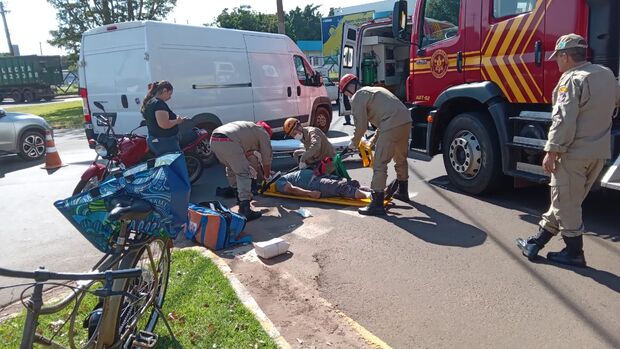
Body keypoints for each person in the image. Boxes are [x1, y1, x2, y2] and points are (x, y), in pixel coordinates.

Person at [516, 34, 620, 267]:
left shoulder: (571, 80)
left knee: (567, 202)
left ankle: (574, 252)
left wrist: (551, 150)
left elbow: (563, 120)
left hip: (573, 153)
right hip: (598, 152)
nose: (556, 62)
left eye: (557, 57)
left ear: (566, 55)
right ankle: (536, 242)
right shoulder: (605, 74)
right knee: (567, 201)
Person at [339, 73, 412, 215]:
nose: (347, 96)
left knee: (380, 163)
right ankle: (403, 191)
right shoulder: (374, 91)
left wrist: (353, 144)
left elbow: (361, 125)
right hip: (405, 121)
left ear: (349, 89)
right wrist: (372, 141)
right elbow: (382, 122)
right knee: (400, 158)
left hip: (391, 123)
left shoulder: (357, 96)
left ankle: (377, 204)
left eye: (346, 93)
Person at [140, 80, 191, 233]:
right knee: (175, 173)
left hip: (156, 140)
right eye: (170, 93)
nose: (170, 96)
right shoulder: (158, 104)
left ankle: (170, 200)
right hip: (165, 142)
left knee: (166, 171)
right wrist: (178, 121)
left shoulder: (149, 102)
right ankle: (177, 210)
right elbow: (164, 124)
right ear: (164, 90)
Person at [210, 120, 273, 221]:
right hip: (229, 141)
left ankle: (239, 198)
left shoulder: (248, 129)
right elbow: (267, 158)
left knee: (231, 168)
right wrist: (267, 176)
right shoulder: (263, 133)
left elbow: (243, 153)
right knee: (243, 173)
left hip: (214, 139)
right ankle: (245, 209)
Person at [275, 169, 371, 200]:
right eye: (270, 173)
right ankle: (370, 196)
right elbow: (290, 189)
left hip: (318, 176)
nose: (271, 171)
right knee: (341, 187)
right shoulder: (278, 181)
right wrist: (309, 193)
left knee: (352, 183)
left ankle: (376, 192)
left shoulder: (286, 174)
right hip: (314, 184)